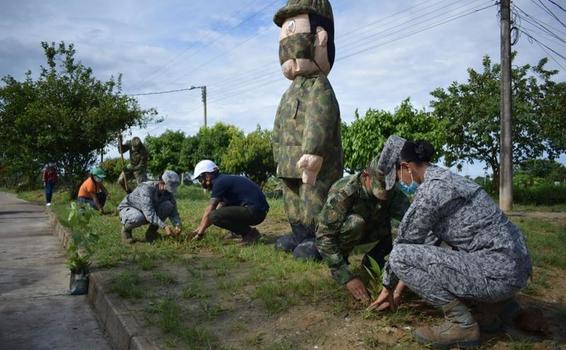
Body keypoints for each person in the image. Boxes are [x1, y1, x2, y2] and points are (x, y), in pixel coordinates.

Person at [369, 135, 532, 349]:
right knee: (438, 245)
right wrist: (399, 290)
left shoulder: (430, 192)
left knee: (399, 256)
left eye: (398, 178)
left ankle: (461, 324)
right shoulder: (447, 179)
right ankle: (495, 309)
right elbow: (425, 244)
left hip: (498, 274)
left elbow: (404, 245)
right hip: (514, 268)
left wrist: (387, 288)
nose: (401, 184)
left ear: (406, 167)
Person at [272, 0, 344, 258]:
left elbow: (319, 119)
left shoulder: (319, 86)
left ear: (320, 37)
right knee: (292, 199)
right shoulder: (290, 91)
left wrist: (314, 151)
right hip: (290, 162)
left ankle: (318, 239)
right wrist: (278, 154)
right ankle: (300, 233)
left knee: (314, 196)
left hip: (313, 164)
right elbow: (280, 124)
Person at [315, 155, 410, 302]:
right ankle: (343, 262)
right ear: (366, 175)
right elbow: (324, 236)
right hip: (348, 231)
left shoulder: (395, 193)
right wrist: (346, 277)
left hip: (375, 230)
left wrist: (398, 277)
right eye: (380, 184)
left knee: (400, 229)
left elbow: (409, 229)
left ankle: (374, 261)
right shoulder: (344, 191)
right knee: (355, 222)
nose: (385, 190)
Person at [190, 160, 269, 245]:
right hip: (258, 211)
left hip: (255, 212)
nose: (201, 183)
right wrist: (199, 228)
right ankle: (235, 232)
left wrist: (200, 234)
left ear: (207, 176)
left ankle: (250, 234)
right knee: (219, 212)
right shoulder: (222, 180)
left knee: (214, 215)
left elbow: (211, 210)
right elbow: (221, 209)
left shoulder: (219, 183)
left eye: (200, 179)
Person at [118, 170, 182, 243]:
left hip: (147, 210)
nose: (168, 191)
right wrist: (164, 226)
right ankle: (126, 231)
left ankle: (151, 233)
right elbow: (149, 213)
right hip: (130, 208)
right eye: (168, 187)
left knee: (168, 206)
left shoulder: (168, 193)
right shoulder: (147, 188)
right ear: (161, 182)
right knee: (138, 217)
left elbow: (174, 211)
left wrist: (177, 225)